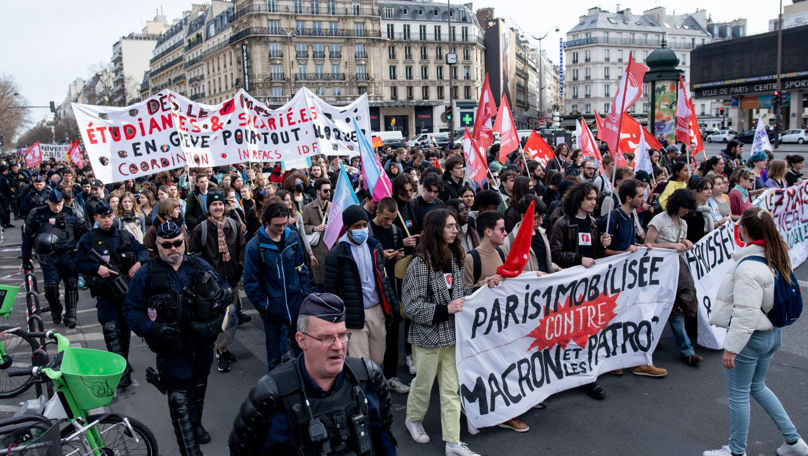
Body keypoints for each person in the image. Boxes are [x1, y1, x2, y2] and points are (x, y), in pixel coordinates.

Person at [229, 293, 397, 455]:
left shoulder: (368, 377)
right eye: (326, 338)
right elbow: (242, 449)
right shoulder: (271, 395)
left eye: (342, 335)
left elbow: (384, 437)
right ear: (302, 340)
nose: (338, 346)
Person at [704, 207, 808, 456]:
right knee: (758, 386)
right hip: (772, 335)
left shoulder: (748, 267)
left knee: (739, 394)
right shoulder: (779, 256)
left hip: (751, 339)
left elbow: (745, 314)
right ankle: (794, 442)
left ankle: (736, 451)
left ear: (743, 231)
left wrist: (731, 348)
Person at [123, 221, 231, 456]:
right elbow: (130, 310)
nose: (173, 248)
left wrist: (220, 298)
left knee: (199, 389)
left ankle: (196, 424)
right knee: (179, 402)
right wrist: (152, 328)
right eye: (167, 245)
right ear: (157, 245)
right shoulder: (147, 274)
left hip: (201, 345)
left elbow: (224, 290)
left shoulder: (198, 265)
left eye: (177, 243)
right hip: (171, 350)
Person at [402, 209, 481, 456]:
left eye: (456, 226)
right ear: (437, 229)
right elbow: (411, 305)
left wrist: (482, 287)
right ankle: (413, 419)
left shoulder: (455, 258)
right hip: (427, 338)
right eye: (449, 226)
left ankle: (453, 442)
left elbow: (459, 296)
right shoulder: (420, 264)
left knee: (450, 389)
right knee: (423, 384)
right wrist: (444, 309)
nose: (455, 231)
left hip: (451, 337)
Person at [75, 200, 149, 389]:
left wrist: (138, 263)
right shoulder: (88, 239)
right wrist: (96, 267)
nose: (107, 220)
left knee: (124, 333)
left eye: (109, 216)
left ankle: (122, 364)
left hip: (125, 293)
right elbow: (78, 263)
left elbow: (143, 251)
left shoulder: (123, 236)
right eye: (103, 217)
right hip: (105, 293)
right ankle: (121, 375)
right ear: (96, 218)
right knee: (111, 331)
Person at [548, 182, 611, 399]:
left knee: (587, 330)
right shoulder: (562, 223)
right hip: (569, 286)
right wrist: (577, 259)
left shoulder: (594, 223)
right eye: (590, 199)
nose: (595, 202)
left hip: (589, 286)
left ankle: (586, 375)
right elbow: (554, 254)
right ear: (579, 200)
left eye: (595, 199)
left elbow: (594, 255)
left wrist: (602, 246)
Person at [324, 205, 398, 368]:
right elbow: (331, 291)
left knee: (378, 358)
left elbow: (383, 279)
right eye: (357, 226)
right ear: (348, 228)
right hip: (354, 314)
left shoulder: (374, 246)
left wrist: (392, 307)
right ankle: (365, 393)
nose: (362, 229)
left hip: (377, 310)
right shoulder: (337, 255)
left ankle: (376, 388)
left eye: (364, 225)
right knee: (361, 363)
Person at [243, 201, 311, 370]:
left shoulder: (293, 238)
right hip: (272, 310)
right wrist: (264, 305)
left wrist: (305, 295)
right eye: (277, 225)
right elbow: (250, 282)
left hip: (296, 306)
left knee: (301, 352)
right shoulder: (255, 246)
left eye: (284, 223)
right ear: (266, 222)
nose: (282, 228)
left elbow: (302, 268)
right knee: (275, 358)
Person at [188, 191, 247, 373]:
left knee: (231, 318)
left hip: (233, 280)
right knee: (219, 319)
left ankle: (223, 348)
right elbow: (194, 256)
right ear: (209, 208)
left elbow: (241, 248)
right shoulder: (201, 229)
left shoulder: (234, 225)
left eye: (221, 204)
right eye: (214, 205)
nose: (218, 208)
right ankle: (220, 352)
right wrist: (206, 278)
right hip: (213, 285)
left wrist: (239, 266)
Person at [645, 189, 702, 367]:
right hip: (658, 273)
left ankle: (687, 351)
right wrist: (671, 245)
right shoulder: (659, 220)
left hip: (675, 271)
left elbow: (682, 241)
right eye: (685, 208)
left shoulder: (683, 223)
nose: (686, 211)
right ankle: (651, 341)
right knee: (655, 310)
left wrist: (686, 243)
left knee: (677, 310)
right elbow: (648, 245)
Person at [22, 188, 86, 327]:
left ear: (63, 201)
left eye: (59, 204)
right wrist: (26, 259)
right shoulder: (37, 214)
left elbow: (85, 234)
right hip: (48, 257)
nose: (56, 207)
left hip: (69, 254)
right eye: (53, 204)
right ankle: (56, 310)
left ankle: (71, 314)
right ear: (47, 202)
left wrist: (82, 253)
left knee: (71, 285)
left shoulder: (73, 213)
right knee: (50, 288)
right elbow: (28, 237)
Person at [302, 178, 331, 291]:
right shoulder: (308, 208)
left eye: (329, 190)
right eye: (325, 191)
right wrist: (315, 228)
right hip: (317, 250)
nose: (328, 193)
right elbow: (302, 227)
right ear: (318, 191)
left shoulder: (333, 206)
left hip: (331, 248)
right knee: (319, 284)